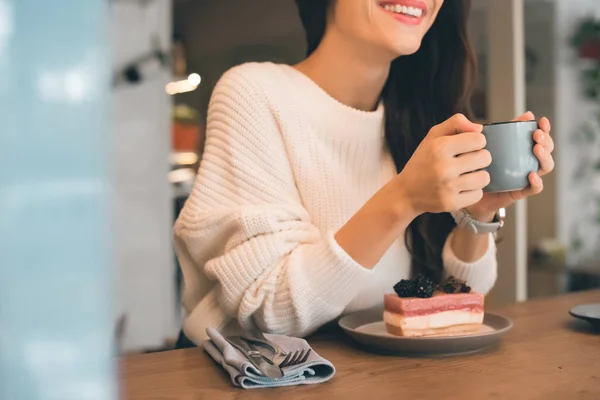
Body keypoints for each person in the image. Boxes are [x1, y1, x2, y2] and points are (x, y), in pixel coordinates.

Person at [173, 0, 555, 347]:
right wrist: (402, 198)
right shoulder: (254, 94)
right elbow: (269, 311)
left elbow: (453, 302)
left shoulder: (417, 118)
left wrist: (480, 213)